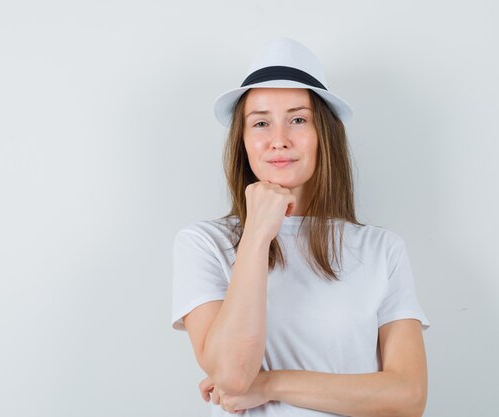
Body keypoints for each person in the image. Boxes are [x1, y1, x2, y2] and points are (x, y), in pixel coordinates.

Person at [171, 38, 430, 417]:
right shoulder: (203, 244)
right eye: (261, 122)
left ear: (324, 135)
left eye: (298, 119)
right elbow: (231, 376)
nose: (279, 140)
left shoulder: (381, 249)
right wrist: (258, 232)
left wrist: (270, 384)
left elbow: (408, 397)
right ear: (243, 141)